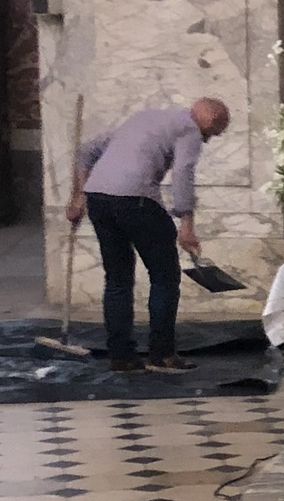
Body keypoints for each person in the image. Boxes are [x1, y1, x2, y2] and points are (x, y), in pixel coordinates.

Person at [64, 98, 232, 373]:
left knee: (117, 278)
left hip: (99, 198)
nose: (208, 141)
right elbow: (183, 173)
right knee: (165, 276)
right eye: (212, 134)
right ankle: (163, 355)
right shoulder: (189, 129)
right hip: (136, 199)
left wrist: (78, 196)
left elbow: (86, 152)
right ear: (210, 121)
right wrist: (186, 223)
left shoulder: (143, 117)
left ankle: (121, 356)